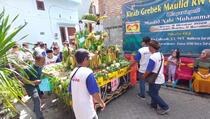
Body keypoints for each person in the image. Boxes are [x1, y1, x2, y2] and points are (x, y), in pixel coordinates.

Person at [68, 48, 105, 119]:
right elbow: (94, 93)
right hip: (87, 110)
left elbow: (71, 91)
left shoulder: (73, 72)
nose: (89, 61)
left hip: (77, 109)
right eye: (88, 59)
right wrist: (101, 103)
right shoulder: (88, 72)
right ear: (85, 59)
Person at [142, 40, 170, 115]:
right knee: (154, 92)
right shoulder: (161, 55)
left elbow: (149, 70)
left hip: (155, 79)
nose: (148, 48)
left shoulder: (153, 57)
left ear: (151, 47)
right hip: (159, 77)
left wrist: (143, 76)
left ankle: (165, 107)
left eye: (149, 47)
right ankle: (153, 105)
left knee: (153, 93)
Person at [23, 50, 45, 119]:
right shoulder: (29, 69)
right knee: (36, 99)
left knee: (39, 98)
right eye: (42, 61)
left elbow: (40, 73)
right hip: (30, 86)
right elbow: (24, 81)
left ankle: (35, 110)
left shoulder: (40, 67)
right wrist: (34, 82)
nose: (44, 63)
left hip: (37, 85)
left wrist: (48, 74)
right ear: (37, 61)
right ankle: (40, 117)